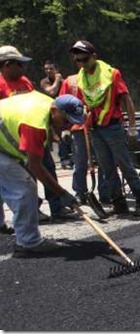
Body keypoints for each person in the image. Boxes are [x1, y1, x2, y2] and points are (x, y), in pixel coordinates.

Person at [69, 40, 140, 216]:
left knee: (125, 165)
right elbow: (85, 103)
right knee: (106, 169)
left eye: (84, 59)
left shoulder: (112, 74)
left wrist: (133, 128)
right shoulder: (82, 77)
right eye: (78, 60)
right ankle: (119, 204)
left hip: (113, 127)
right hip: (95, 129)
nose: (81, 63)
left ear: (94, 56)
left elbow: (126, 100)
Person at [0, 91, 84, 257]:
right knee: (25, 188)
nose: (67, 126)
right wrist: (62, 193)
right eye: (66, 121)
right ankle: (28, 242)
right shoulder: (35, 124)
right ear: (54, 111)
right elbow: (35, 167)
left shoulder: (49, 105)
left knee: (6, 182)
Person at [0, 45, 73, 223]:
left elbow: (37, 105)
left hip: (32, 132)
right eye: (19, 64)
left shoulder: (24, 81)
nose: (23, 68)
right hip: (13, 140)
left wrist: (51, 133)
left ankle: (57, 206)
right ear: (6, 64)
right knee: (25, 181)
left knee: (47, 166)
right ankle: (31, 215)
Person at [59, 73, 114, 206]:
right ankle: (80, 193)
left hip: (97, 125)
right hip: (78, 128)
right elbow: (62, 103)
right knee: (80, 161)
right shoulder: (70, 80)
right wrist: (65, 129)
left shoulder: (100, 77)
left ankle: (105, 193)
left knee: (103, 160)